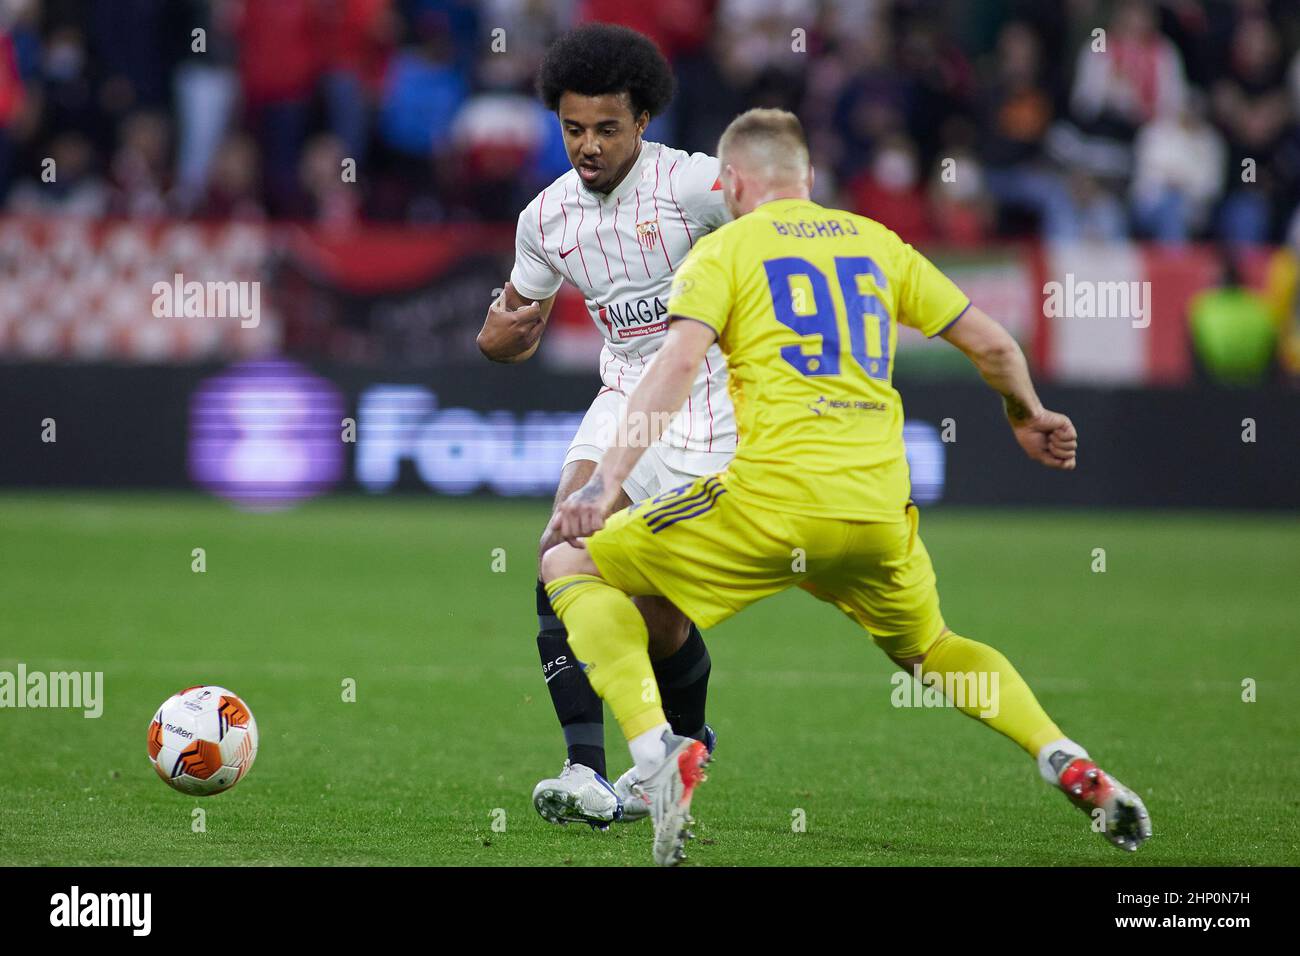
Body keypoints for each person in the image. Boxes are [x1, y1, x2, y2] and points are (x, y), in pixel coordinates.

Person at [541, 108, 1152, 866]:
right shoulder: (876, 243)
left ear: (731, 184)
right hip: (877, 511)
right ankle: (1061, 754)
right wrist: (1026, 414)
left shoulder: (724, 248)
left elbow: (670, 370)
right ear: (808, 179)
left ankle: (655, 749)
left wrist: (607, 482)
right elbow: (992, 342)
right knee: (933, 648)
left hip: (770, 503)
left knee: (570, 562)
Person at [476, 24, 735, 829]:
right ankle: (588, 769)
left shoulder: (696, 188)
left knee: (658, 612)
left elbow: (788, 234)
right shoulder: (545, 218)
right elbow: (507, 324)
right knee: (564, 551)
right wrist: (495, 340)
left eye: (607, 128)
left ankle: (681, 746)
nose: (587, 146)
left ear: (645, 119)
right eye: (573, 128)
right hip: (622, 399)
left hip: (712, 404)